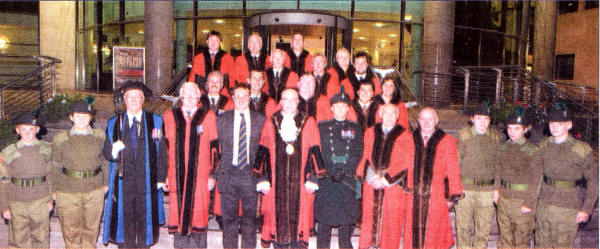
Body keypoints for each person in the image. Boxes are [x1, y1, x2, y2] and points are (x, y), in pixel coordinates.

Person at [254, 88, 325, 248]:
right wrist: (262, 179)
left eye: (293, 100)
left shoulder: (308, 121)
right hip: (275, 183)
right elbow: (262, 150)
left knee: (298, 226)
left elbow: (315, 149)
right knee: (276, 226)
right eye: (286, 99)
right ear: (281, 101)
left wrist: (313, 179)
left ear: (298, 102)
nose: (290, 103)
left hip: (300, 184)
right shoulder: (271, 121)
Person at [102, 82, 167, 248]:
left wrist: (161, 177)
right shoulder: (113, 123)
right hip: (123, 182)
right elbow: (107, 153)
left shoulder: (156, 121)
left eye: (137, 96)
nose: (133, 100)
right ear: (124, 100)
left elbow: (161, 152)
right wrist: (114, 151)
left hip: (147, 181)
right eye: (129, 97)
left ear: (143, 99)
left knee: (145, 224)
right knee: (125, 223)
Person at [162, 82, 219, 248]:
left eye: (193, 95)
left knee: (198, 216)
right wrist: (164, 175)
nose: (189, 98)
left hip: (200, 178)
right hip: (176, 175)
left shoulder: (208, 117)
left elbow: (215, 148)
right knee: (179, 215)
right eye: (185, 95)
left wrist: (212, 175)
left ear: (199, 97)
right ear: (180, 97)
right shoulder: (170, 116)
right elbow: (164, 148)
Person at [534, 104, 598, 248]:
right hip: (544, 205)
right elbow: (536, 176)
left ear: (569, 125)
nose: (555, 127)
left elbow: (593, 181)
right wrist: (532, 203)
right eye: (552, 123)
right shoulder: (543, 145)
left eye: (560, 124)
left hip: (568, 208)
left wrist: (586, 209)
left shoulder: (581, 149)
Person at [356, 103, 414, 249]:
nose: (389, 117)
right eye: (386, 113)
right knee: (369, 221)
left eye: (392, 114)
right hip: (372, 183)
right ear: (380, 115)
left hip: (393, 186)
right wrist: (371, 177)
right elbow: (366, 156)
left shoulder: (405, 135)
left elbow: (406, 161)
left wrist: (386, 179)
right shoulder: (370, 132)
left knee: (391, 224)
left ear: (397, 116)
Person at [404, 107, 463, 249]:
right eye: (423, 119)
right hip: (413, 195)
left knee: (434, 235)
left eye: (430, 119)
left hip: (436, 196)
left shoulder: (447, 141)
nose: (426, 122)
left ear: (436, 121)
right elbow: (402, 167)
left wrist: (450, 196)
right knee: (413, 235)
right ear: (418, 121)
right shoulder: (409, 139)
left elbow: (453, 169)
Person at [216, 84, 266, 249]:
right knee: (228, 219)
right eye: (238, 96)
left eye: (245, 95)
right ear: (233, 98)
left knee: (250, 219)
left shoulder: (260, 119)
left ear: (250, 97)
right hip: (229, 174)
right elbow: (218, 148)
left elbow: (263, 150)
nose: (242, 99)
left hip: (250, 176)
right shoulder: (222, 119)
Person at [52, 100, 107, 248]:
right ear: (71, 117)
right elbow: (55, 165)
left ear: (91, 118)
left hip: (94, 189)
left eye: (86, 115)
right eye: (78, 115)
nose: (82, 119)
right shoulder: (61, 139)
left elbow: (105, 162)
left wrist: (106, 184)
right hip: (67, 190)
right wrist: (53, 190)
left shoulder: (100, 137)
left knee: (91, 229)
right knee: (70, 229)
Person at [314, 89, 363, 249]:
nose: (341, 109)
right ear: (332, 108)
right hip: (328, 177)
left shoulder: (356, 128)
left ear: (348, 108)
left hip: (347, 177)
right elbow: (318, 151)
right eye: (337, 106)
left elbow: (358, 152)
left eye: (344, 106)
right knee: (324, 220)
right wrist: (330, 169)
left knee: (346, 221)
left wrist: (345, 169)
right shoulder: (322, 127)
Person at [0, 111, 52, 248]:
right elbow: (3, 181)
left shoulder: (46, 150)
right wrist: (4, 207)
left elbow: (50, 176)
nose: (28, 133)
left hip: (40, 200)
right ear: (17, 130)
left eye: (31, 129)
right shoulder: (8, 153)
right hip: (17, 202)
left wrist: (50, 200)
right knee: (17, 239)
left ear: (37, 130)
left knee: (41, 237)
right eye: (24, 129)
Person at [455, 102, 501, 249]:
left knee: (484, 229)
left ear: (490, 120)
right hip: (465, 190)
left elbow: (498, 164)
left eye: (486, 119)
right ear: (472, 119)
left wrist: (496, 188)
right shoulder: (463, 136)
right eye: (479, 118)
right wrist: (456, 187)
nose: (482, 122)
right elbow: (456, 162)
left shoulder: (495, 137)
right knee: (462, 227)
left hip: (487, 191)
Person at [495, 107, 540, 248]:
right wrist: (496, 191)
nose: (512, 132)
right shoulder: (502, 148)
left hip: (521, 201)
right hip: (504, 199)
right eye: (509, 128)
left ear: (525, 130)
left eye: (517, 128)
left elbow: (536, 180)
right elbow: (497, 171)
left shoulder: (532, 150)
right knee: (505, 238)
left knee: (521, 239)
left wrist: (529, 203)